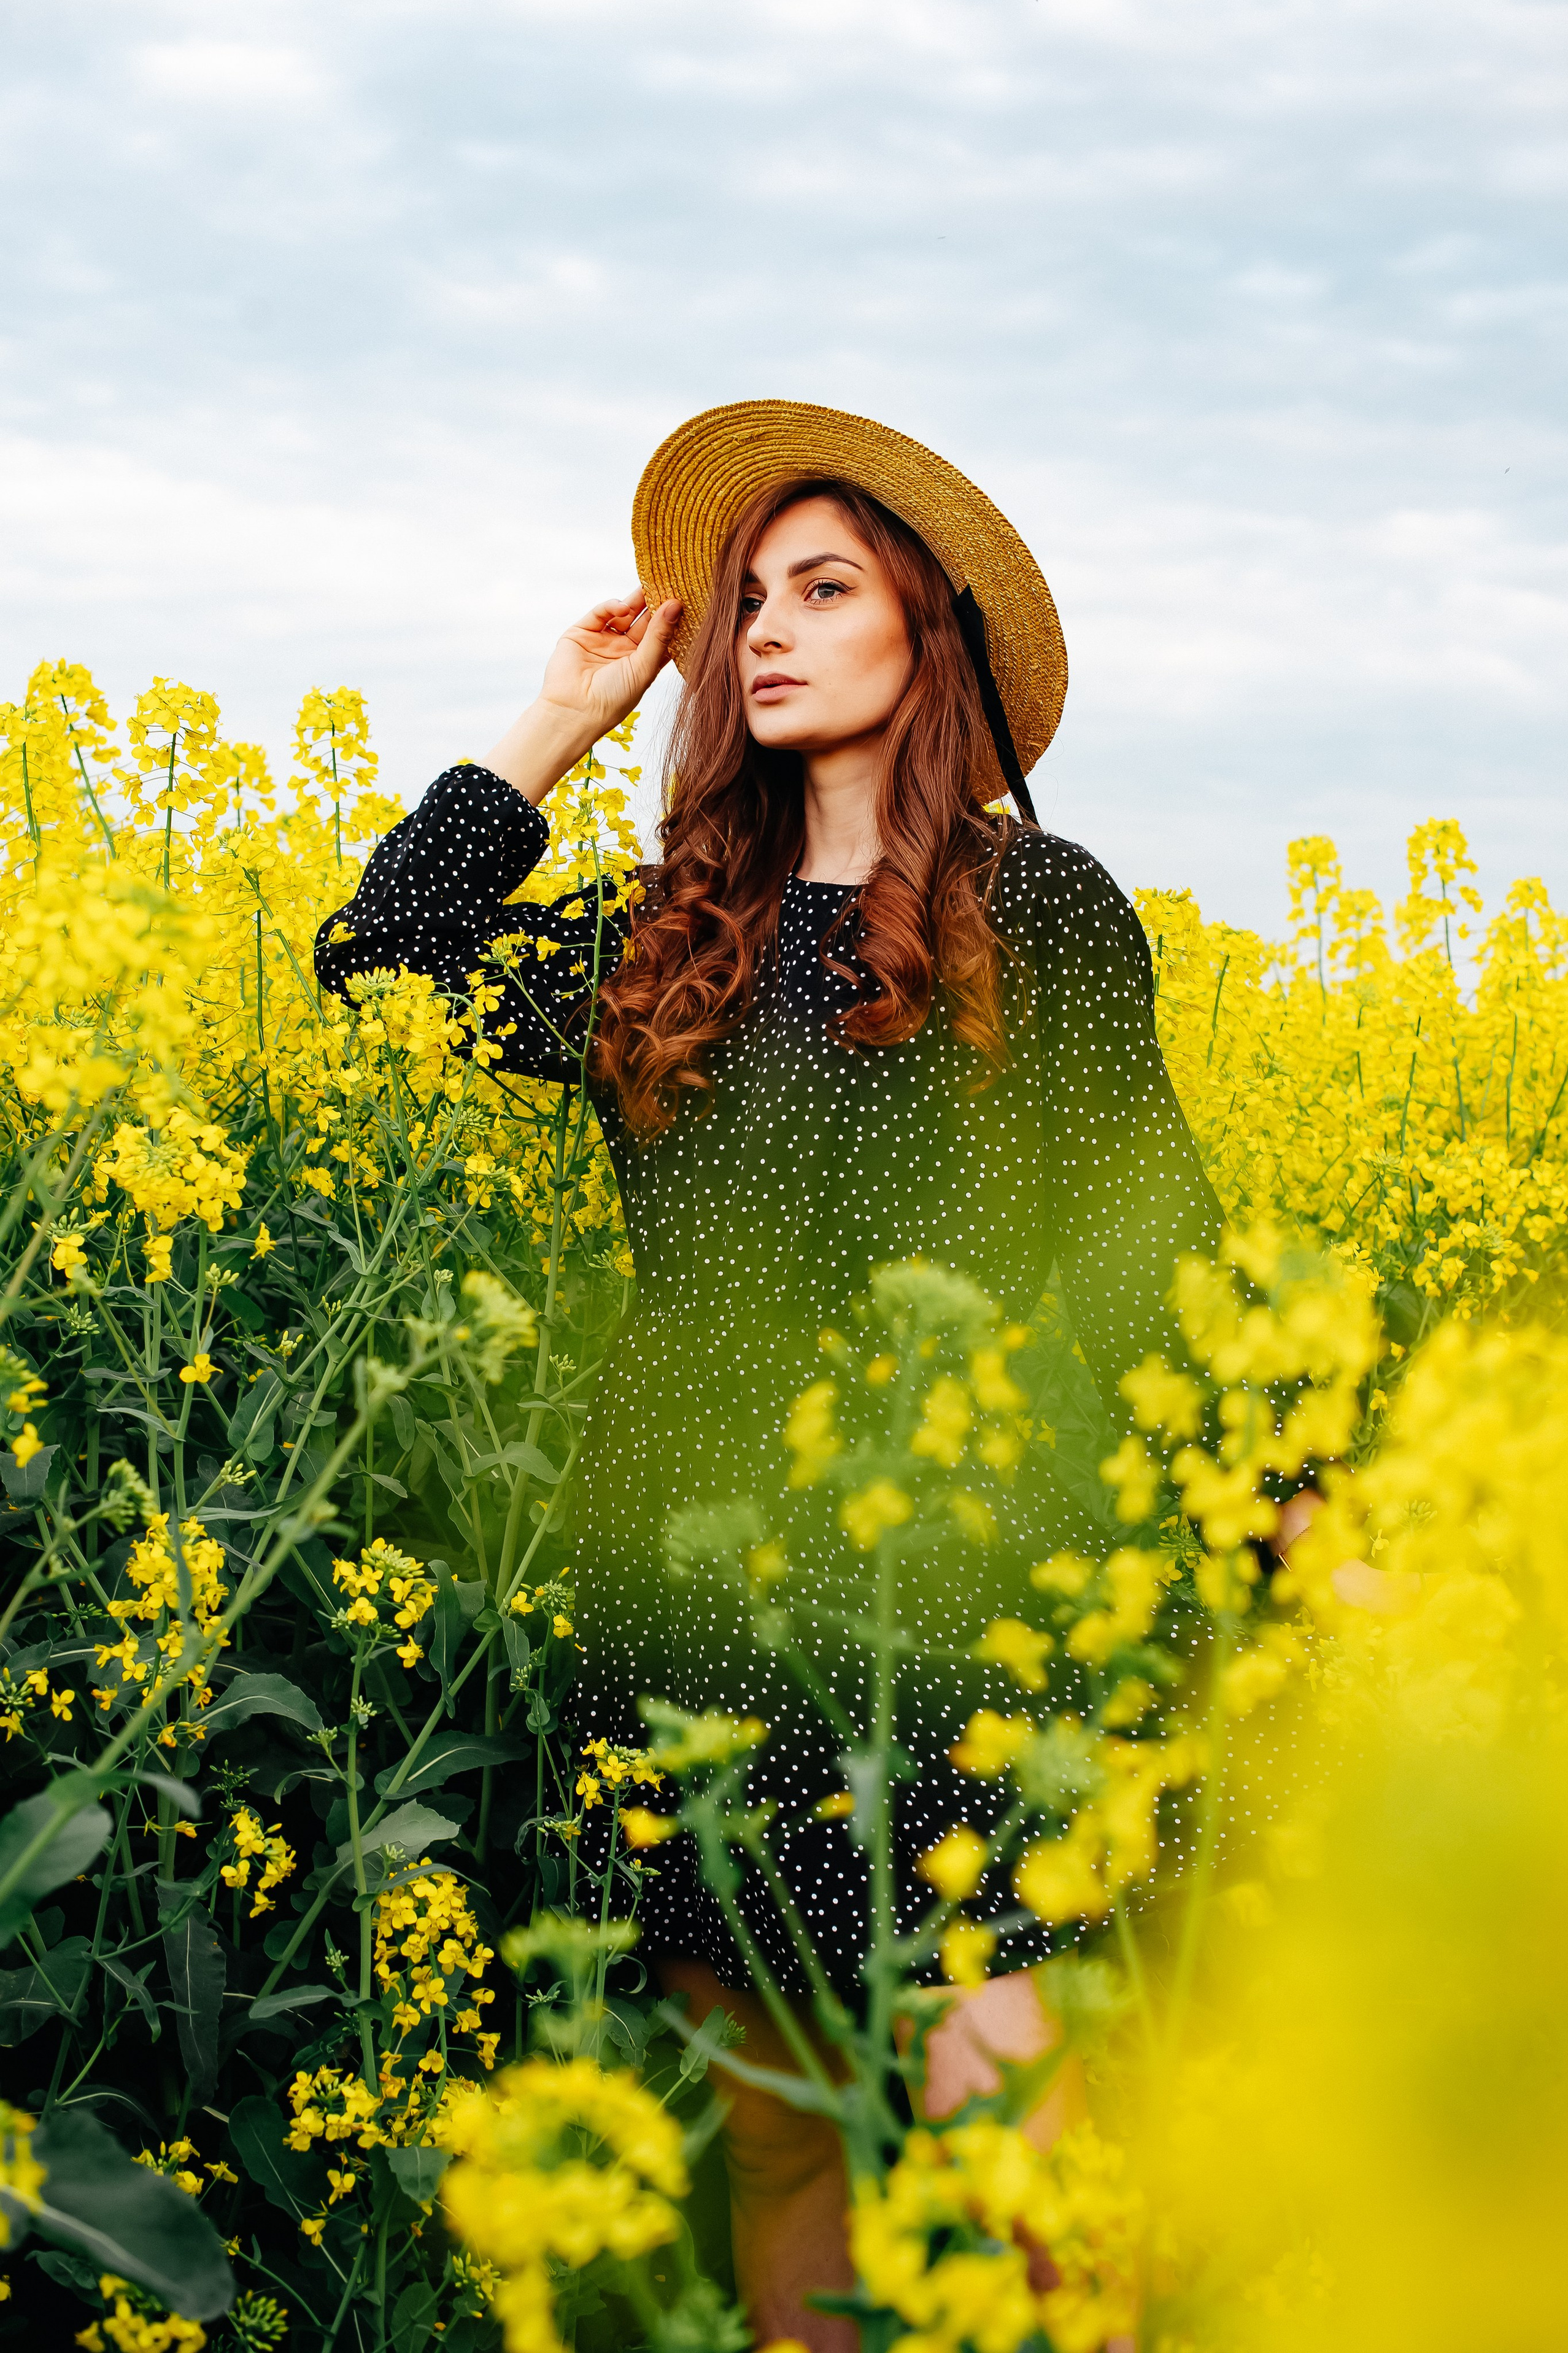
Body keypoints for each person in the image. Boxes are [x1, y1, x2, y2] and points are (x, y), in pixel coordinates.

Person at [315, 401, 1230, 2349]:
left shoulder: (1042, 913)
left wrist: (1301, 1517)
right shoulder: (667, 938)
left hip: (980, 1592)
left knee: (1032, 2166)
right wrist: (554, 717)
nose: (767, 630)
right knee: (781, 2144)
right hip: (698, 1592)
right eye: (745, 602)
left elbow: (1158, 1254)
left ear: (933, 630)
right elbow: (384, 956)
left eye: (824, 587)